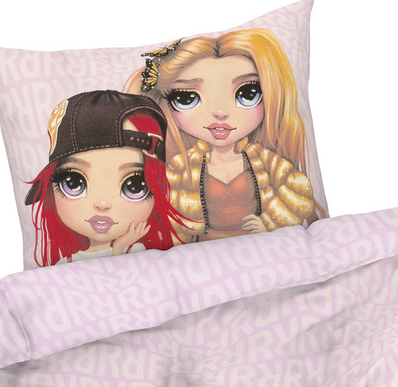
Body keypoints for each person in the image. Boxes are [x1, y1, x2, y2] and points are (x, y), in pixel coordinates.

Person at [124, 29, 323, 242]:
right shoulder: (182, 167)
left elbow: (298, 193)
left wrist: (269, 223)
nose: (220, 112)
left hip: (260, 245)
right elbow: (167, 212)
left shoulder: (266, 161)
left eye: (247, 94)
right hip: (204, 252)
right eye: (187, 98)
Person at [23, 90, 191, 266]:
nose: (102, 204)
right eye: (74, 183)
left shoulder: (140, 252)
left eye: (134, 186)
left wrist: (119, 247)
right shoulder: (64, 263)